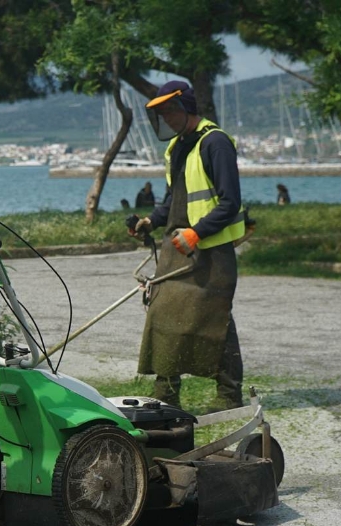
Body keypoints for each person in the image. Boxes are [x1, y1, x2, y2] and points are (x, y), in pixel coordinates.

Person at [126, 80, 247, 411]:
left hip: (210, 251)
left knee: (214, 318)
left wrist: (197, 232)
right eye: (161, 112)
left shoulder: (215, 143)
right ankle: (165, 391)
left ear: (186, 107)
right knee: (163, 312)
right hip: (177, 247)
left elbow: (230, 202)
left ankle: (229, 395)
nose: (166, 117)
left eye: (170, 110)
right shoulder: (178, 147)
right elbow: (173, 199)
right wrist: (151, 221)